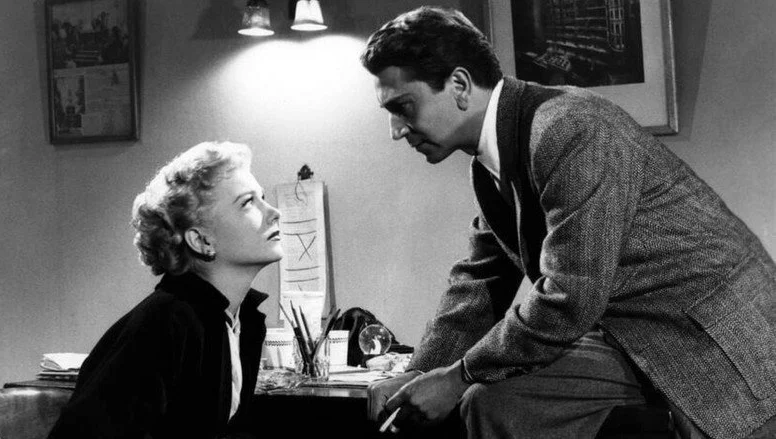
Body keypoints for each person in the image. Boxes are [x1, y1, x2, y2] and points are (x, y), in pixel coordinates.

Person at [361, 6, 776, 439]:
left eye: (403, 107)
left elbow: (569, 296)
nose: (396, 130)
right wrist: (419, 373)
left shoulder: (570, 128)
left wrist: (457, 376)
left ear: (460, 86)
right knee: (497, 403)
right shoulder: (492, 160)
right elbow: (479, 282)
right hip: (625, 332)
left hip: (712, 335)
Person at [48, 141, 283, 438]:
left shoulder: (243, 320)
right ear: (201, 240)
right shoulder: (166, 322)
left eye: (262, 198)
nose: (274, 212)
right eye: (248, 203)